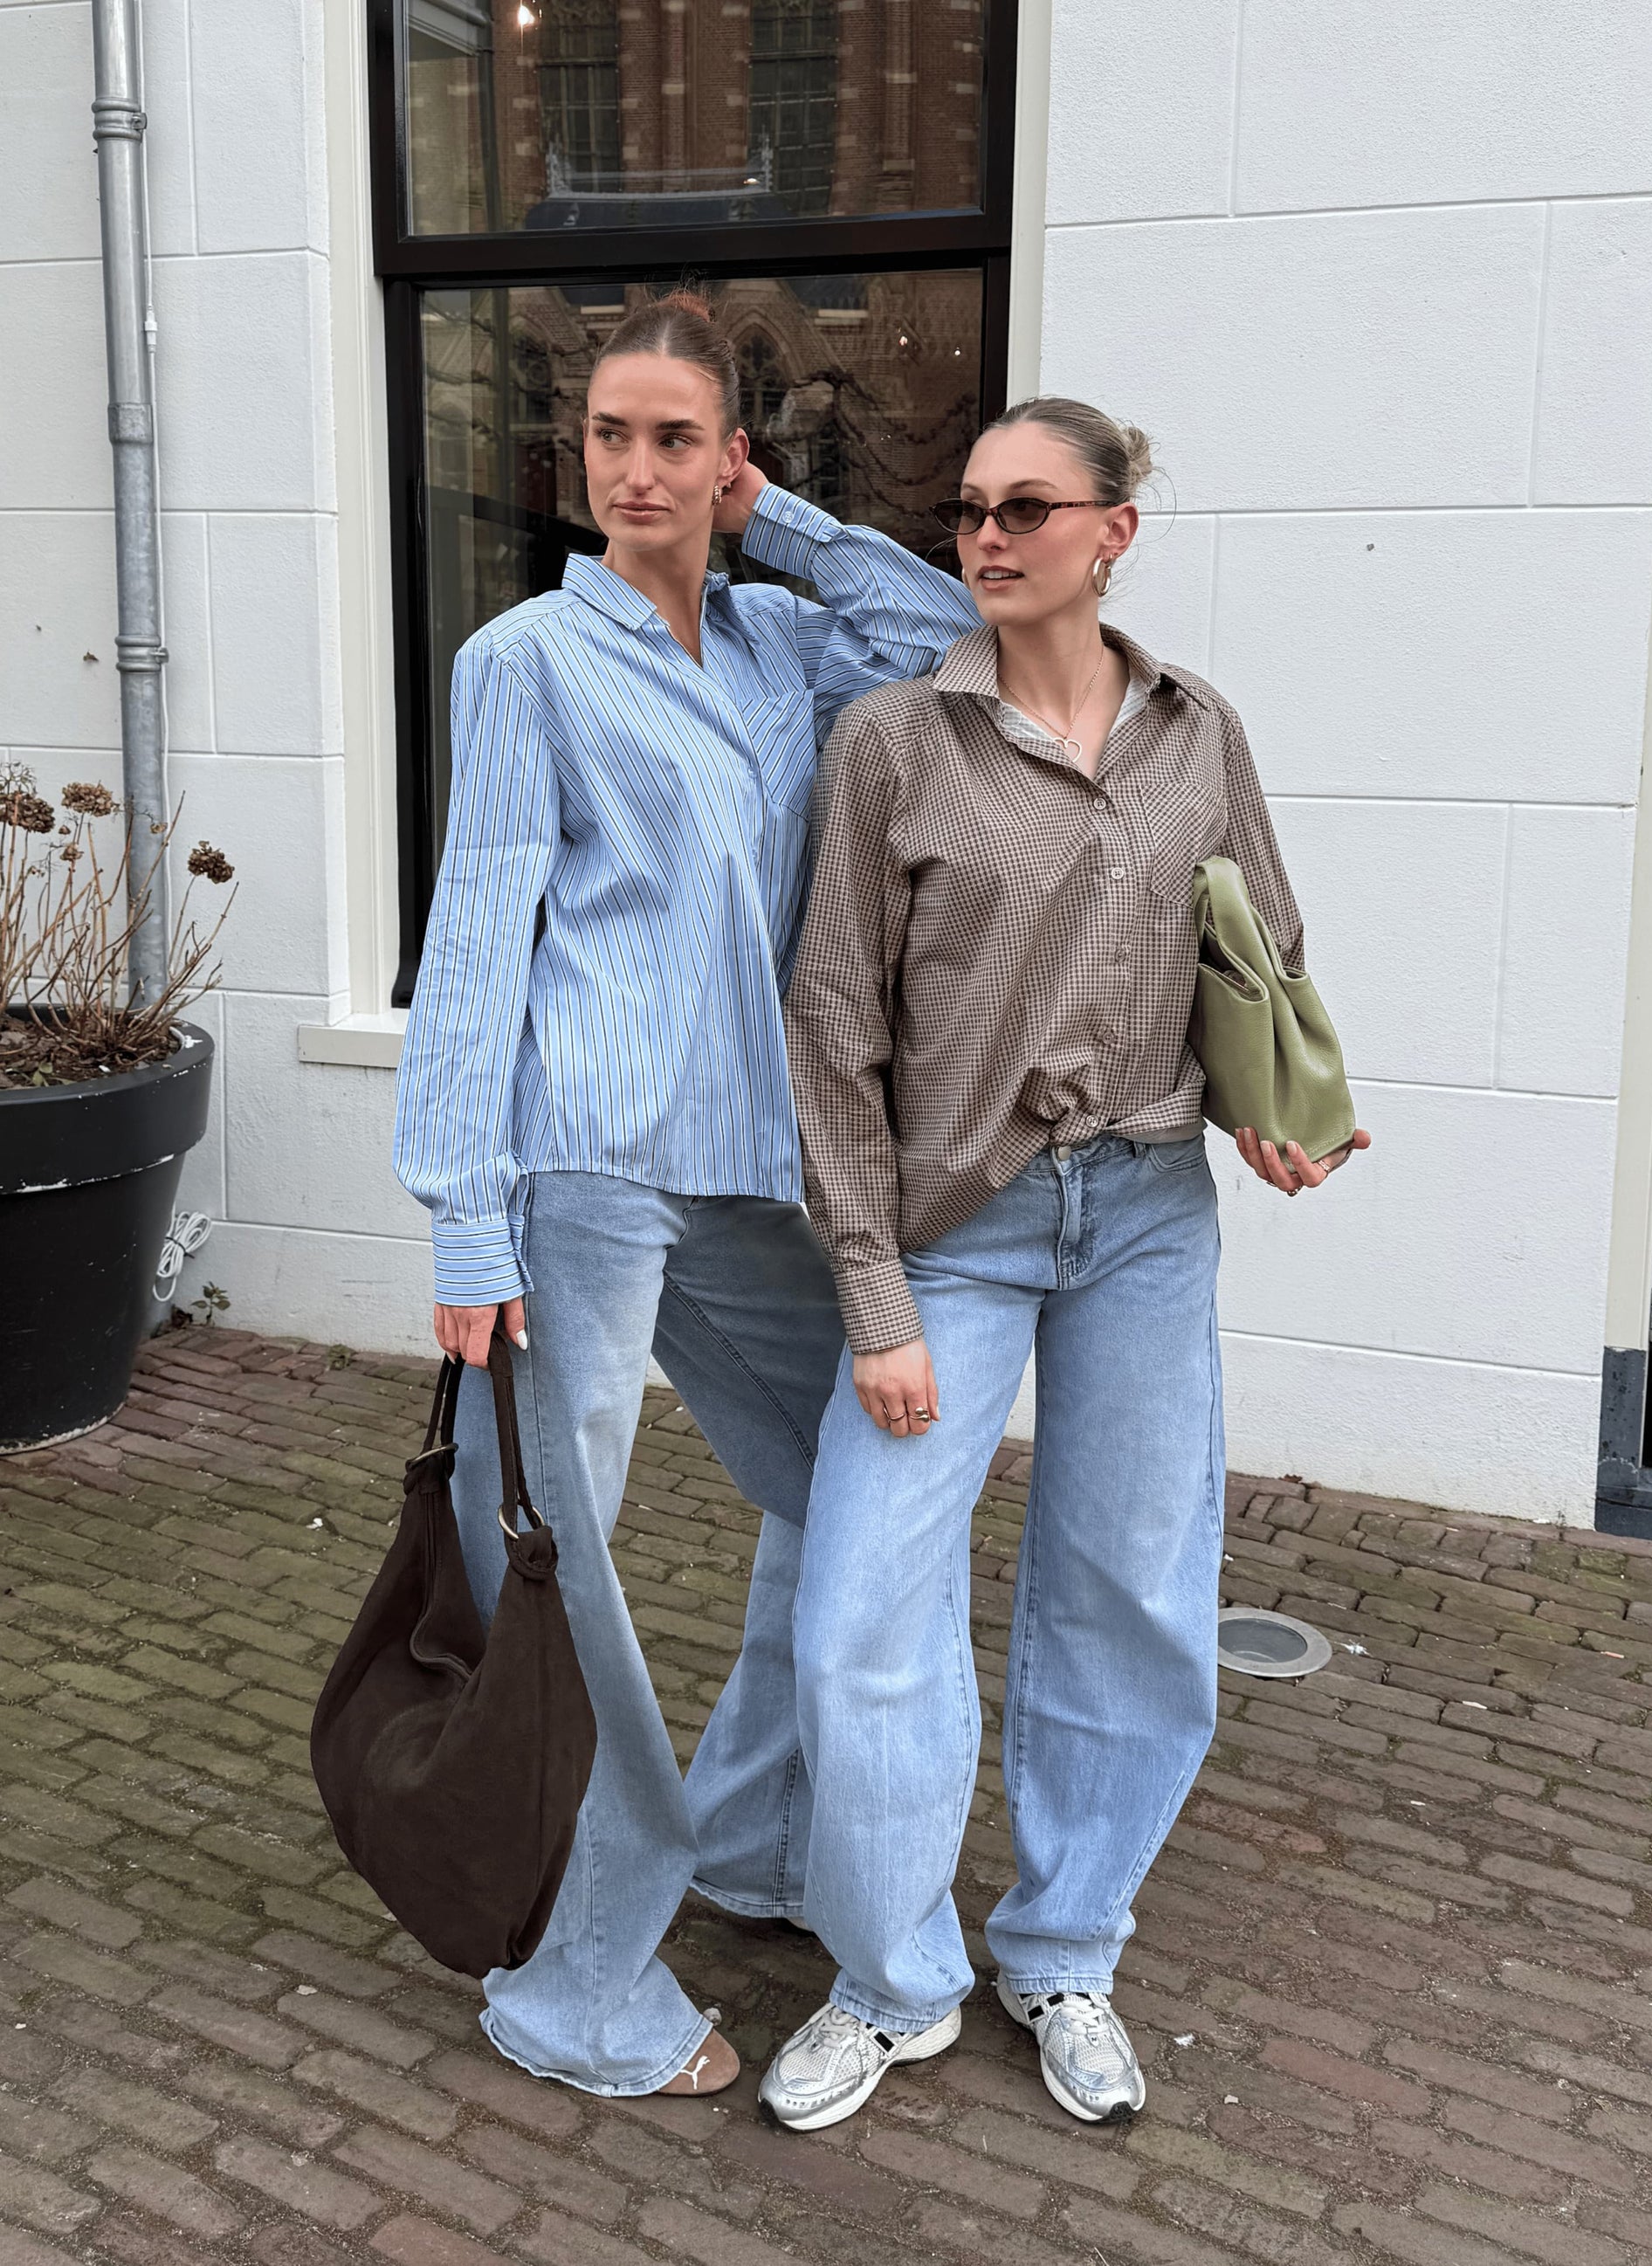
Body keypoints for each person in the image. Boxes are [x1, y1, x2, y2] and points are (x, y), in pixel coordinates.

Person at [393, 292, 980, 2098]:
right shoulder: (523, 661)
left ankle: (748, 1829)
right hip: (581, 1160)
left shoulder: (782, 645)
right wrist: (462, 1210)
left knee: (857, 1495)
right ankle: (575, 1976)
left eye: (674, 439)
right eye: (609, 436)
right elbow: (477, 933)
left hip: (752, 1159)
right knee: (556, 1569)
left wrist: (773, 517)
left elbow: (947, 635)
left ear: (727, 455)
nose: (634, 470)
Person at [762, 396, 1371, 2132]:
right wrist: (872, 1289)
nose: (987, 534)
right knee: (859, 1616)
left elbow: (1259, 940)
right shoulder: (893, 739)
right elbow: (830, 1024)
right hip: (957, 1232)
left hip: (1148, 1219)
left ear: (1115, 530)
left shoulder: (1197, 729)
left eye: (1027, 506)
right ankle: (892, 1979)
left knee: (1130, 1595)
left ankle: (1062, 1947)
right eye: (970, 507)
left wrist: (1273, 1110)